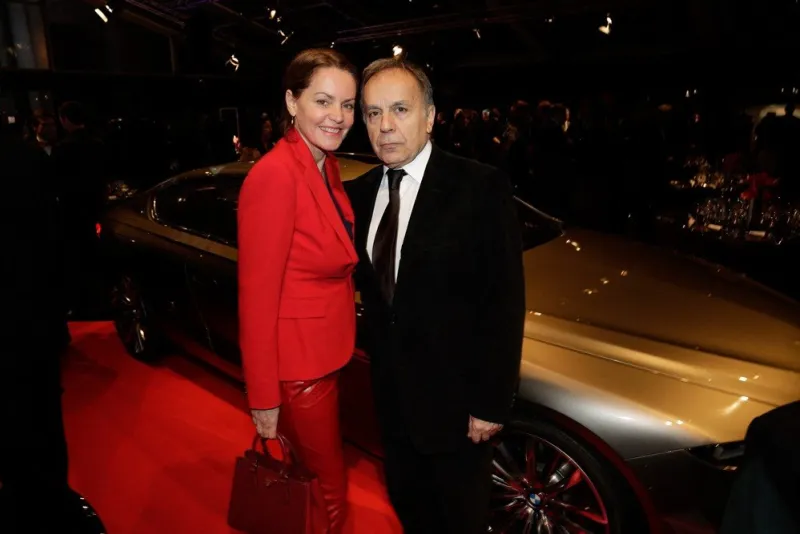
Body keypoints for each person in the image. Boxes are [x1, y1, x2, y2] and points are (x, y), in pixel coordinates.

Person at [346, 58, 525, 534]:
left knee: (460, 520)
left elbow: (504, 302)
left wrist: (491, 403)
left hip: (458, 411)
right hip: (391, 404)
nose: (385, 125)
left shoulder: (480, 187)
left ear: (429, 117)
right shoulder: (358, 193)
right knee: (411, 512)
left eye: (400, 109)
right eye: (373, 113)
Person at [237, 48, 359, 534]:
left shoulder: (324, 163)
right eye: (323, 101)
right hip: (298, 370)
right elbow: (256, 297)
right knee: (328, 492)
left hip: (324, 352)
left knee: (322, 480)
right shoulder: (274, 175)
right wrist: (264, 396)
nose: (338, 117)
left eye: (347, 105)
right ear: (291, 101)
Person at [0, 114, 104, 533]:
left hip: (26, 315)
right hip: (30, 316)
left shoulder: (31, 160)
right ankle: (47, 503)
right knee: (39, 417)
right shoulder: (27, 160)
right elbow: (50, 238)